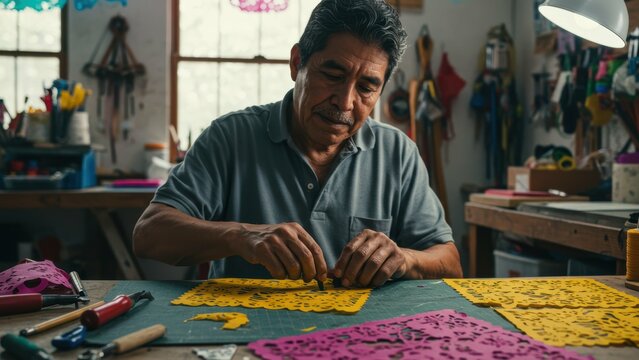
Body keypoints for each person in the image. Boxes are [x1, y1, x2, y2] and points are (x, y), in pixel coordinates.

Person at [133, 0, 462, 287]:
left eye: (366, 87)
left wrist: (404, 259)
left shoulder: (398, 154)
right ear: (296, 63)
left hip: (362, 335)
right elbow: (149, 234)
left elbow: (449, 263)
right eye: (333, 75)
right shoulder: (230, 137)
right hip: (242, 329)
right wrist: (240, 236)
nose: (345, 102)